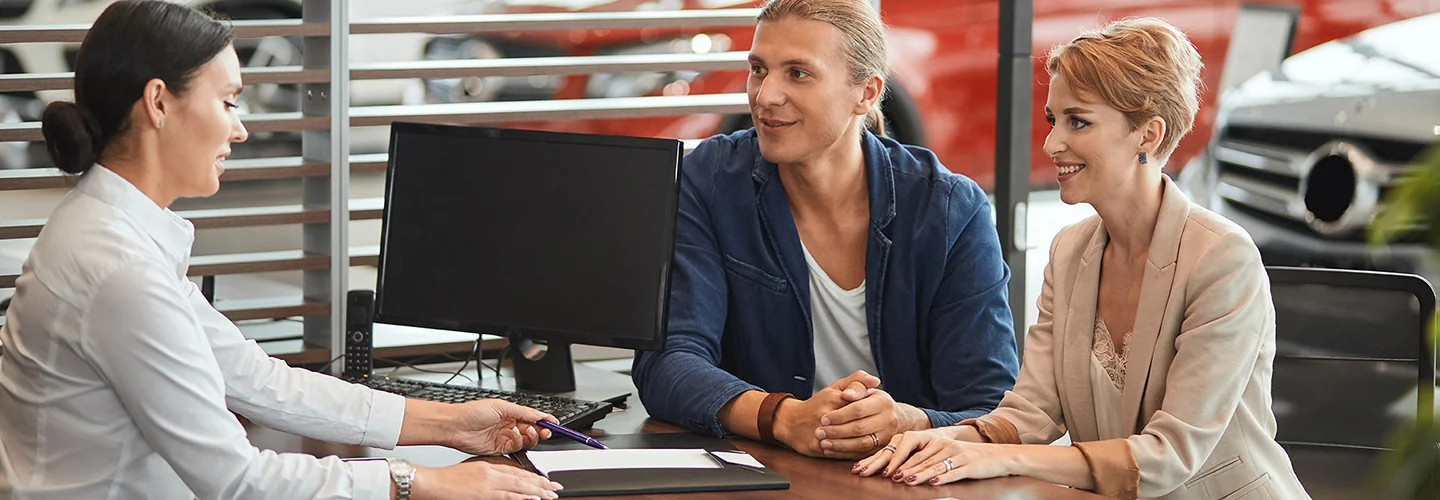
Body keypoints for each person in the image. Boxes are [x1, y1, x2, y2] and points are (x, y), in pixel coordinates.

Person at [0, 2, 564, 499]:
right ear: (159, 103)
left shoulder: (106, 231)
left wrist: (451, 424)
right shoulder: (119, 271)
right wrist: (424, 480)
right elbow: (237, 481)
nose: (240, 130)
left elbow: (256, 379)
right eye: (228, 102)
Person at [852, 18, 1311, 499]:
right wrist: (942, 440)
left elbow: (1169, 456)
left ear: (1148, 135)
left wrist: (999, 457)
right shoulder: (1070, 251)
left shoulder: (1221, 259)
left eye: (1079, 121)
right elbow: (1032, 413)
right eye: (1054, 120)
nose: (1051, 143)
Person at [631, 0, 1020, 460]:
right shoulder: (709, 180)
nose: (765, 95)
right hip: (767, 474)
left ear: (867, 93)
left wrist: (907, 419)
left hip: (906, 479)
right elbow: (667, 363)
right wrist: (784, 417)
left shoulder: (950, 208)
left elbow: (993, 411)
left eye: (798, 73)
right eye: (759, 69)